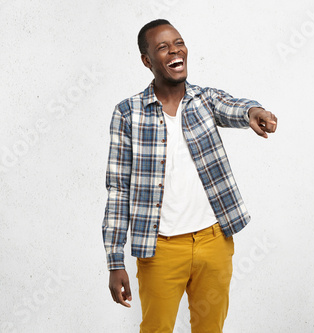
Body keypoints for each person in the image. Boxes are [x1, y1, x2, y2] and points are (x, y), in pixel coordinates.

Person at [102, 19, 277, 333]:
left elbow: (235, 106)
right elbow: (118, 189)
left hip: (214, 242)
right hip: (160, 251)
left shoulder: (205, 100)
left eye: (178, 43)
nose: (174, 50)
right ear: (147, 61)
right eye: (163, 47)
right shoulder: (128, 113)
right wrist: (115, 260)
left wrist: (254, 112)